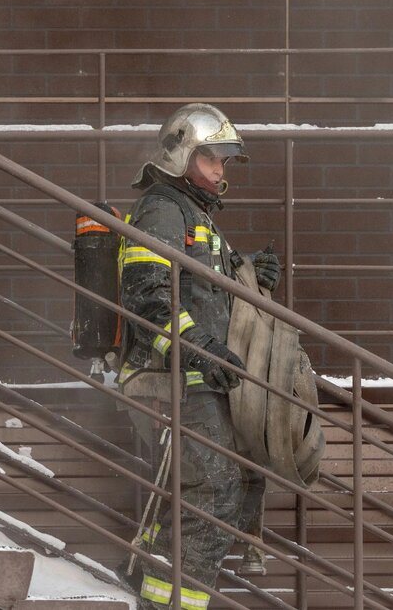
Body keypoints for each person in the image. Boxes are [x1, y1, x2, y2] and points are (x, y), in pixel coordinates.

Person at [118, 103, 281, 609]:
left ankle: (149, 578)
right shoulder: (162, 209)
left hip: (201, 382)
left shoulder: (194, 214)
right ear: (181, 155)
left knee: (234, 485)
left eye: (224, 161)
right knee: (213, 492)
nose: (219, 169)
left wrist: (247, 270)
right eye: (211, 157)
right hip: (172, 380)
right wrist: (200, 349)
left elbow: (201, 284)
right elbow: (146, 295)